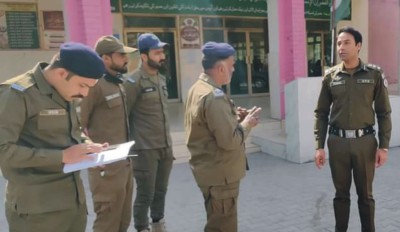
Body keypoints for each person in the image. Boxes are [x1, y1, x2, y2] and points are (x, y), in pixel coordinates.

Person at [0, 42, 107, 232]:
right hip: (36, 213)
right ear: (61, 73)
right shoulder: (17, 94)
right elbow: (3, 150)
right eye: (83, 85)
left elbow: (73, 132)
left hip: (73, 205)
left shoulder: (66, 91)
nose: (85, 93)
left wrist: (89, 147)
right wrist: (62, 157)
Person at [314, 26, 392, 232]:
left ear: (358, 46)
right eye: (339, 43)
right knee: (341, 195)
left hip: (365, 143)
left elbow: (384, 113)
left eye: (346, 42)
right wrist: (319, 146)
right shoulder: (331, 76)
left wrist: (384, 147)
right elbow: (321, 113)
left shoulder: (373, 75)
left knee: (365, 196)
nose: (341, 47)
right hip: (337, 143)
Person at [184, 41, 262, 232]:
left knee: (217, 222)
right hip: (220, 177)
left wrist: (235, 118)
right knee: (222, 227)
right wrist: (247, 124)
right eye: (232, 64)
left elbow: (208, 126)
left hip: (211, 173)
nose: (234, 68)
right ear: (220, 68)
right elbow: (230, 141)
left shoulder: (198, 88)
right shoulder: (213, 96)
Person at [79, 35, 137, 232]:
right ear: (105, 58)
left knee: (122, 222)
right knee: (107, 224)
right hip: (106, 170)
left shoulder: (117, 83)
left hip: (124, 167)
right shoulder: (93, 85)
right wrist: (89, 152)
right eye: (121, 55)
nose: (126, 59)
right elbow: (77, 125)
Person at [124, 33, 174, 232]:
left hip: (165, 146)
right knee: (146, 193)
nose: (162, 56)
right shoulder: (132, 82)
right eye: (157, 52)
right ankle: (142, 228)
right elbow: (123, 116)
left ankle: (158, 225)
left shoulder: (160, 79)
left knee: (161, 191)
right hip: (145, 149)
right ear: (144, 56)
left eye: (162, 52)